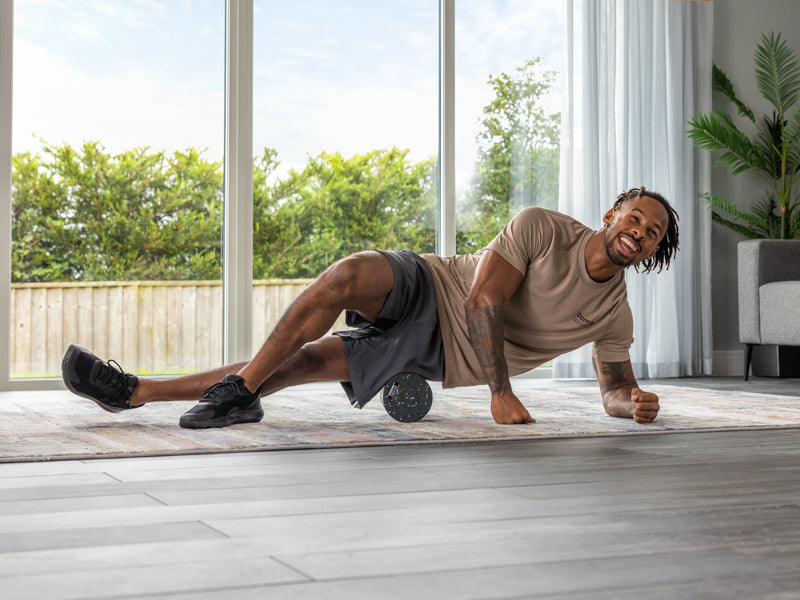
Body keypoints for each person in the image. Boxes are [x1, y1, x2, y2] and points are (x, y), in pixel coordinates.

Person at [62, 186, 679, 429]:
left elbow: (613, 387)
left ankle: (134, 391)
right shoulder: (542, 227)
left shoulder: (613, 315)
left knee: (303, 364)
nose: (640, 231)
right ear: (612, 215)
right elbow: (484, 298)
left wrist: (633, 402)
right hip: (437, 286)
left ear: (651, 251)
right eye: (635, 217)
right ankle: (241, 390)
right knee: (347, 274)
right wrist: (500, 391)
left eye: (652, 233)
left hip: (440, 354)